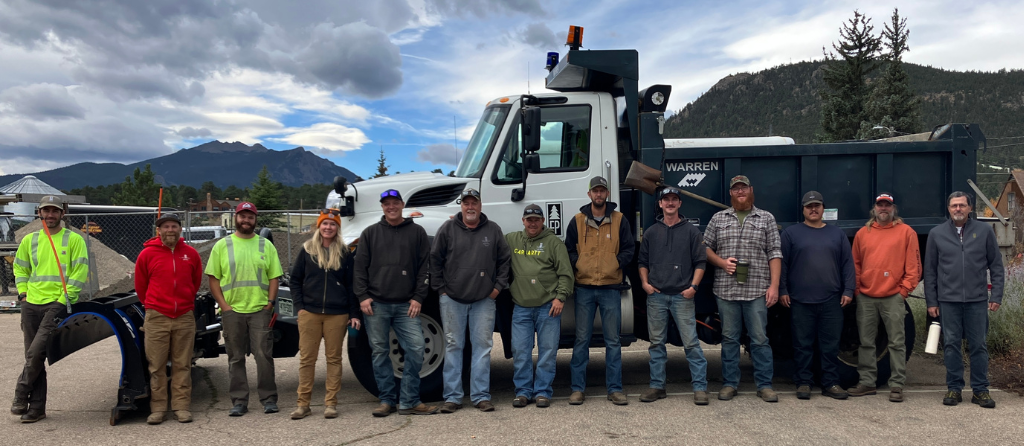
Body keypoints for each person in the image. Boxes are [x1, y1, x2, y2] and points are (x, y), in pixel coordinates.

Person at [355, 189, 438, 417]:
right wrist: (363, 296)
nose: (391, 207)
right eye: (386, 203)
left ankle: (410, 400)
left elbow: (424, 267)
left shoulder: (417, 232)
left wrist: (419, 297)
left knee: (417, 348)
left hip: (406, 306)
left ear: (402, 205)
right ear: (382, 207)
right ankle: (387, 400)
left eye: (395, 203)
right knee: (380, 352)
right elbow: (359, 269)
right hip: (376, 305)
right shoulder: (370, 233)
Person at [430, 189, 510, 413]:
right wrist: (441, 290)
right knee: (454, 347)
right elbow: (434, 259)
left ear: (480, 205)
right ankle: (453, 397)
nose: (470, 207)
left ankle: (481, 396)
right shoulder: (447, 229)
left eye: (474, 203)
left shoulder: (493, 230)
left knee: (482, 348)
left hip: (484, 300)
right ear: (461, 206)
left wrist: (497, 288)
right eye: (466, 203)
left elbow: (505, 260)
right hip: (452, 299)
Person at [704, 175, 782, 403]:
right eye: (735, 189)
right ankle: (730, 384)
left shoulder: (766, 218)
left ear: (751, 190)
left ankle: (765, 385)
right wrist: (721, 263)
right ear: (730, 193)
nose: (740, 192)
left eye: (743, 188)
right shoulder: (719, 218)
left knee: (759, 339)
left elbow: (775, 253)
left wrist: (774, 286)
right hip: (726, 291)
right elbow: (704, 248)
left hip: (757, 290)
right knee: (729, 339)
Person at [11, 196, 88, 423]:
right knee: (34, 356)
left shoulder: (74, 240)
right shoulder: (29, 240)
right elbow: (20, 268)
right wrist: (23, 293)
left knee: (35, 353)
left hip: (56, 303)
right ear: (39, 213)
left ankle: (20, 392)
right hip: (31, 304)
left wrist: (65, 298)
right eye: (47, 211)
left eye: (55, 211)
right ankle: (36, 408)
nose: (51, 215)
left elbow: (79, 272)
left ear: (62, 214)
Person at [925, 191, 1004, 409]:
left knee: (978, 345)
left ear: (969, 208)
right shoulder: (936, 234)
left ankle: (980, 390)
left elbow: (996, 266)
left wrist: (996, 295)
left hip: (977, 301)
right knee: (951, 345)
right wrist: (932, 301)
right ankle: (954, 388)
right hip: (948, 301)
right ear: (948, 209)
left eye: (962, 205)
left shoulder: (984, 231)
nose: (958, 209)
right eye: (953, 206)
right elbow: (930, 271)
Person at [206, 202, 283, 416]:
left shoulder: (265, 246)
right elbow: (213, 278)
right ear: (235, 218)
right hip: (232, 311)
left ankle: (268, 399)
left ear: (255, 220)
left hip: (260, 309)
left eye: (250, 216)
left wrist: (269, 302)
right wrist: (224, 306)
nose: (246, 220)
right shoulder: (222, 246)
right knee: (236, 357)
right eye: (242, 216)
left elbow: (274, 277)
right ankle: (239, 401)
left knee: (263, 356)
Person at [566, 176, 635, 406]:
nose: (598, 194)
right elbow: (568, 249)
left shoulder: (619, 220)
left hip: (610, 288)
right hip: (584, 288)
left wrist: (614, 264)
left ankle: (615, 389)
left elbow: (629, 248)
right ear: (589, 194)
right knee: (581, 340)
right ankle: (577, 389)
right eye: (595, 191)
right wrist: (579, 264)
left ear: (607, 194)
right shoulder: (576, 221)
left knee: (613, 341)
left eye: (602, 191)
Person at [779, 191, 854, 400]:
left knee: (830, 345)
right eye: (809, 206)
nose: (813, 209)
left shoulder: (836, 234)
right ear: (803, 210)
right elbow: (782, 264)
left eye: (817, 206)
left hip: (831, 300)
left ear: (823, 209)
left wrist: (848, 290)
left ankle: (830, 383)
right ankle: (803, 382)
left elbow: (847, 264)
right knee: (802, 344)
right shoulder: (791, 234)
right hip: (800, 300)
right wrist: (782, 290)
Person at [638, 187, 709, 405]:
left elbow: (701, 262)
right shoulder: (651, 232)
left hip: (682, 296)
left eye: (674, 200)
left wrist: (693, 287)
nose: (670, 203)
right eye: (666, 200)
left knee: (691, 343)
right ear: (660, 204)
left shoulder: (691, 232)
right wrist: (645, 284)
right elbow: (642, 262)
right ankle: (657, 386)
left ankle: (700, 388)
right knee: (657, 344)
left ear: (679, 204)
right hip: (657, 297)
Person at [288, 209, 361, 420]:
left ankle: (331, 403)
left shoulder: (345, 253)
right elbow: (295, 281)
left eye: (332, 224)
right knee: (307, 359)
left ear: (338, 228)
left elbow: (351, 286)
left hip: (337, 314)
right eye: (324, 224)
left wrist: (353, 313)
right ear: (318, 227)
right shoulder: (307, 250)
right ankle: (303, 404)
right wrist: (300, 307)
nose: (328, 227)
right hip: (310, 313)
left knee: (334, 359)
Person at [849, 193, 921, 402]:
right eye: (880, 205)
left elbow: (914, 266)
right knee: (866, 342)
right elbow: (855, 264)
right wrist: (857, 290)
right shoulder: (863, 233)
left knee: (897, 343)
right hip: (866, 297)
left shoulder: (907, 233)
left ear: (893, 208)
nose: (883, 209)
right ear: (874, 209)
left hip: (893, 297)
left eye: (887, 206)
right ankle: (867, 382)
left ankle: (897, 385)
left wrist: (904, 291)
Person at [135, 213, 203, 424]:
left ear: (180, 229)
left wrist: (184, 303)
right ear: (159, 230)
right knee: (157, 366)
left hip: (183, 316)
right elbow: (141, 286)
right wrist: (153, 306)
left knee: (182, 364)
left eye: (174, 226)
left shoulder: (191, 254)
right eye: (166, 227)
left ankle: (181, 407)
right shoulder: (147, 254)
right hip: (157, 316)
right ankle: (158, 408)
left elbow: (195, 281)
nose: (170, 230)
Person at [505, 204, 573, 408]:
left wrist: (560, 297)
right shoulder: (511, 239)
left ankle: (543, 391)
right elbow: (488, 240)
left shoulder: (554, 243)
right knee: (520, 351)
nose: (532, 223)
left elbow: (566, 273)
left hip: (548, 307)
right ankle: (523, 392)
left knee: (548, 351)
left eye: (536, 219)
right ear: (523, 221)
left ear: (543, 221)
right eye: (529, 219)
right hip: (521, 307)